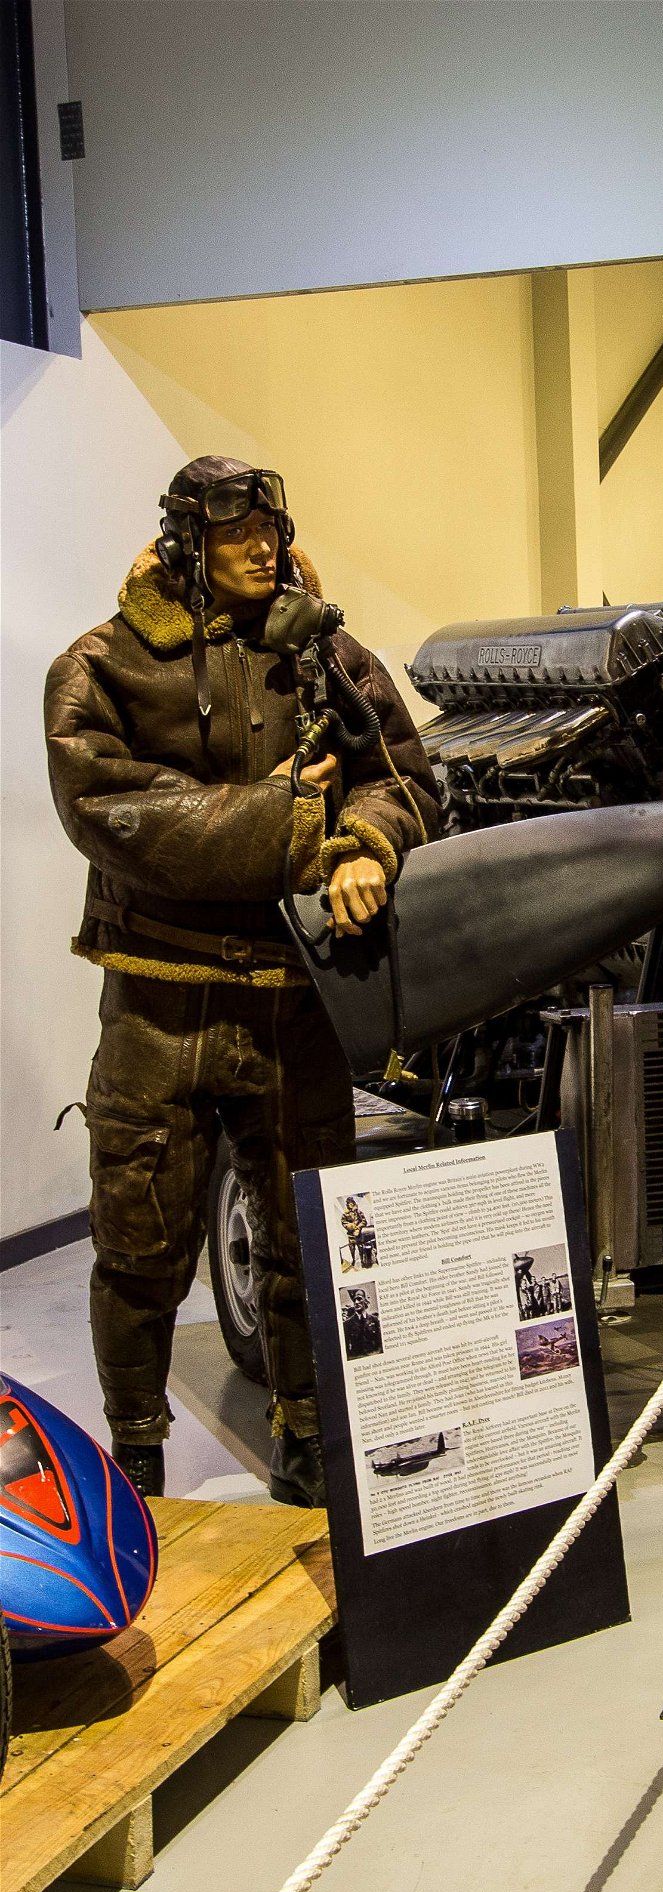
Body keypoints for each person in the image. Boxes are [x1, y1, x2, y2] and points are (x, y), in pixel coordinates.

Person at [45, 458, 440, 1506]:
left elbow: (404, 775)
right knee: (137, 1242)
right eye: (238, 532)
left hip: (290, 994)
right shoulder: (102, 665)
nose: (264, 547)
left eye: (273, 527)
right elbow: (111, 809)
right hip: (158, 998)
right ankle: (135, 1450)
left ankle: (310, 1431)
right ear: (187, 541)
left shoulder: (330, 655)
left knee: (307, 1229)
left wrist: (366, 840)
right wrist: (287, 821)